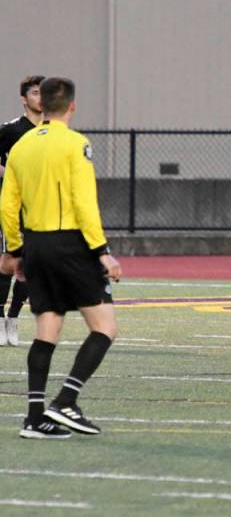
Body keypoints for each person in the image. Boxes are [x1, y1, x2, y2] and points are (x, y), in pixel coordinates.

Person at [0, 77, 122, 438]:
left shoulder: (21, 146)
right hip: (70, 245)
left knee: (47, 330)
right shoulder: (76, 144)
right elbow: (85, 203)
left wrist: (15, 249)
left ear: (44, 105)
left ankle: (35, 417)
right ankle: (67, 399)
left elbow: (8, 203)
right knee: (105, 327)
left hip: (35, 246)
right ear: (71, 105)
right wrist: (102, 252)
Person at [0, 75, 44, 347]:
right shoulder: (11, 130)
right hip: (13, 205)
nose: (42, 97)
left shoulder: (52, 131)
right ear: (24, 98)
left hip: (41, 207)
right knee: (8, 262)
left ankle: (13, 319)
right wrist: (8, 172)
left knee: (31, 266)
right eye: (36, 92)